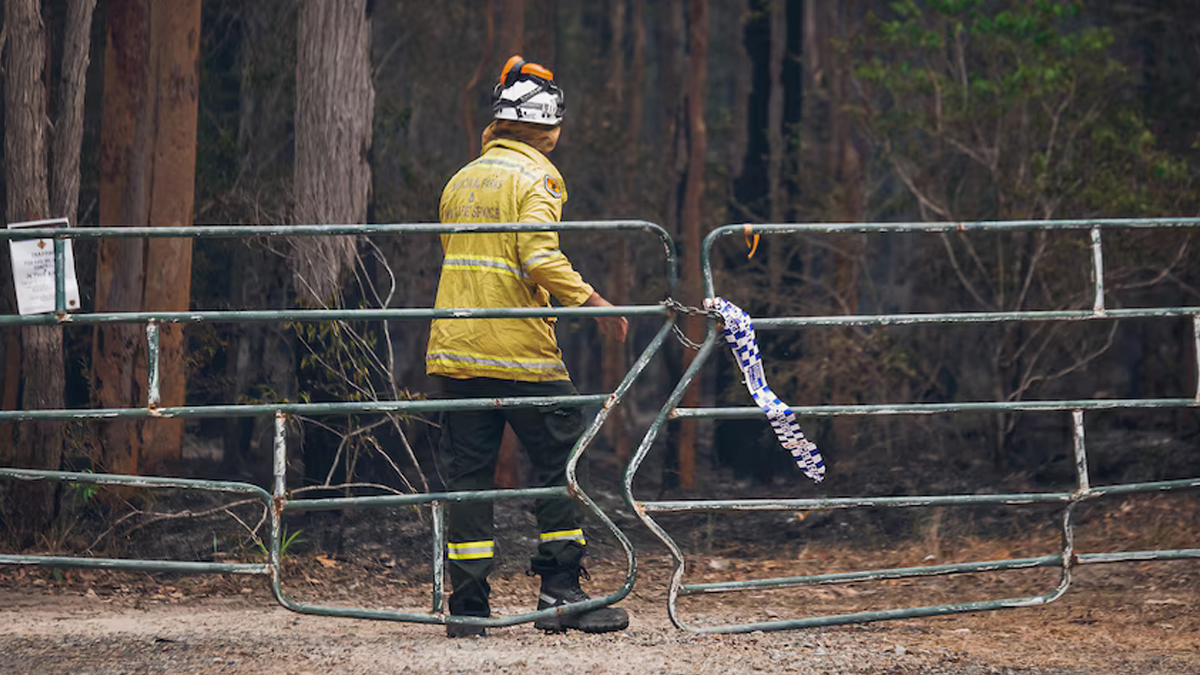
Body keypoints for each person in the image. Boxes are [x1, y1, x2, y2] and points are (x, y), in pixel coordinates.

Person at [427, 55, 630, 638]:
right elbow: (537, 256)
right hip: (519, 352)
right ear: (548, 127)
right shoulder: (536, 177)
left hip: (456, 349)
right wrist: (593, 302)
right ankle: (560, 594)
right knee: (561, 463)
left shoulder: (462, 178)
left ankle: (467, 609)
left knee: (468, 477)